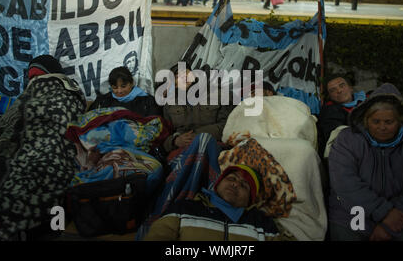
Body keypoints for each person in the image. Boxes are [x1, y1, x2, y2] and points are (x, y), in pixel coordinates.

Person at [0, 55, 87, 240]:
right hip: (23, 154)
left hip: (50, 154)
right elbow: (8, 126)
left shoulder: (66, 94)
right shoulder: (29, 96)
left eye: (37, 76)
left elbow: (2, 133)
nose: (34, 81)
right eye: (32, 78)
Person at [328, 83, 403, 241]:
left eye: (389, 122)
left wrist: (390, 223)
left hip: (398, 217)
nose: (382, 127)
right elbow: (345, 184)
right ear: (366, 119)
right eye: (376, 121)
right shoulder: (347, 139)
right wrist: (384, 212)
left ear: (399, 121)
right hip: (352, 215)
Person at [143, 164, 283, 241]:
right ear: (218, 184)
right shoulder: (184, 208)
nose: (235, 185)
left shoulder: (261, 223)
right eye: (231, 179)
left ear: (249, 200)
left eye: (244, 186)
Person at [162, 63, 233, 153]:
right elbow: (163, 136)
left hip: (215, 146)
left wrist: (198, 136)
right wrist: (175, 141)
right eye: (177, 76)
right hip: (183, 151)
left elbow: (228, 126)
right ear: (175, 85)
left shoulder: (219, 94)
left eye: (185, 72)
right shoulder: (169, 105)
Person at [317, 74, 366, 155]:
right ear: (330, 97)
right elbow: (339, 139)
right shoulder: (330, 112)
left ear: (350, 88)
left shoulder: (368, 102)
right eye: (333, 90)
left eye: (342, 85)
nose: (339, 91)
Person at [89, 66, 162, 117]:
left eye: (123, 86)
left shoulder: (148, 101)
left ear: (132, 83)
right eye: (115, 88)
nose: (119, 91)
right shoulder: (102, 101)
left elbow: (155, 123)